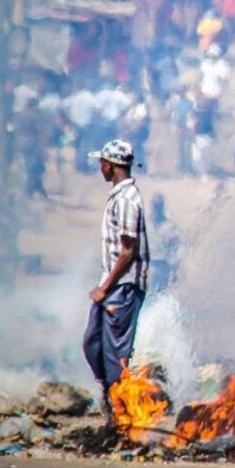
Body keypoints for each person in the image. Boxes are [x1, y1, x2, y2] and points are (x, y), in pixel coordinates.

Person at [82, 139, 150, 427]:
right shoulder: (119, 197)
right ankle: (112, 400)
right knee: (93, 344)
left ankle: (122, 416)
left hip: (122, 289)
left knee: (115, 356)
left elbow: (128, 252)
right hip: (113, 286)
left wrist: (105, 288)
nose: (101, 167)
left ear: (109, 165)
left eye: (102, 163)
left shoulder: (126, 201)